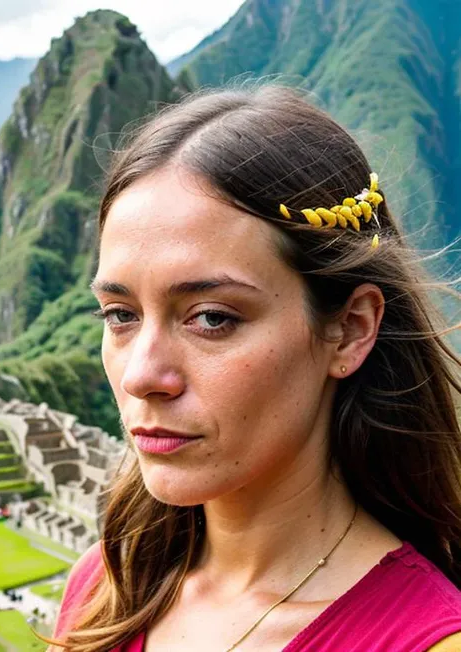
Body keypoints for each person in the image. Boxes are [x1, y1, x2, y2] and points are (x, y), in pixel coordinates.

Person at [48, 85, 461, 651]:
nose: (140, 375)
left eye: (212, 319)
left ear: (351, 328)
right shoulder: (103, 590)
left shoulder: (424, 640)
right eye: (120, 315)